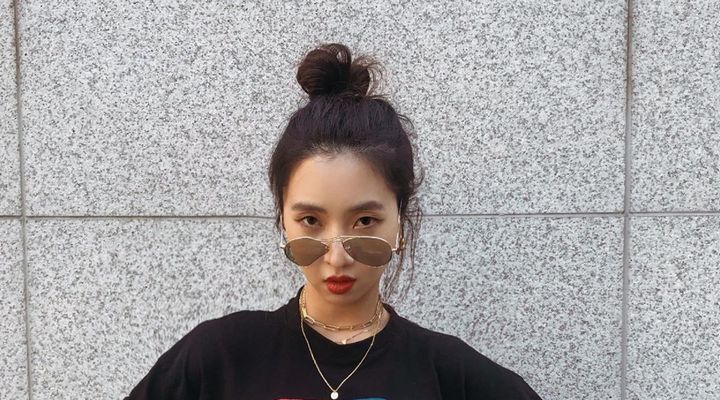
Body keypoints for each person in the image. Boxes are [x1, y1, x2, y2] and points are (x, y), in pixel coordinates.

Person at [124, 43, 542, 400]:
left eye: (365, 220)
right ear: (284, 220)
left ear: (400, 221)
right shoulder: (219, 357)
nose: (337, 257)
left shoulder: (446, 373)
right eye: (310, 219)